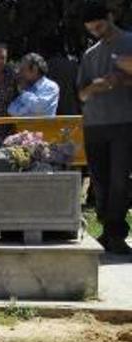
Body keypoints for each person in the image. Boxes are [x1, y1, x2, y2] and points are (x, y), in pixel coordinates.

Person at [77, 1, 132, 254]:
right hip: (95, 123)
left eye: (99, 26)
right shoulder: (90, 54)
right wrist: (95, 87)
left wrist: (123, 78)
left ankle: (116, 233)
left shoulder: (129, 41)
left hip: (124, 121)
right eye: (91, 29)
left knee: (119, 180)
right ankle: (108, 231)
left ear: (110, 17)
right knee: (99, 182)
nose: (96, 32)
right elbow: (82, 94)